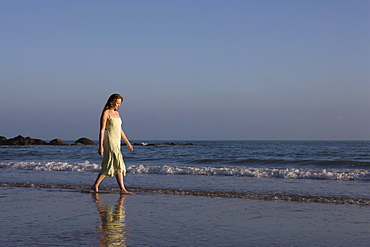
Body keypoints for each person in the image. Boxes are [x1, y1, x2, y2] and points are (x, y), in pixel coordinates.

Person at [91, 93, 134, 194]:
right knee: (113, 163)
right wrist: (100, 146)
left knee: (117, 164)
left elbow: (120, 130)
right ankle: (98, 185)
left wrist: (128, 143)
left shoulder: (117, 114)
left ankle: (121, 188)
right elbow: (102, 130)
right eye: (117, 103)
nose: (118, 106)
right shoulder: (106, 113)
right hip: (110, 141)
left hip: (117, 142)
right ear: (111, 102)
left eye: (120, 104)